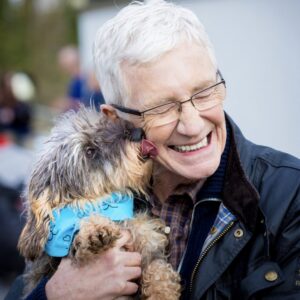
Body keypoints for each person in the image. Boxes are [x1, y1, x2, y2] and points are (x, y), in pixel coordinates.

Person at [6, 0, 300, 299]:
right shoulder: (87, 196)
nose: (193, 125)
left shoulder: (289, 196)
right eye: (162, 107)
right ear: (114, 120)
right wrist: (54, 294)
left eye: (203, 92)